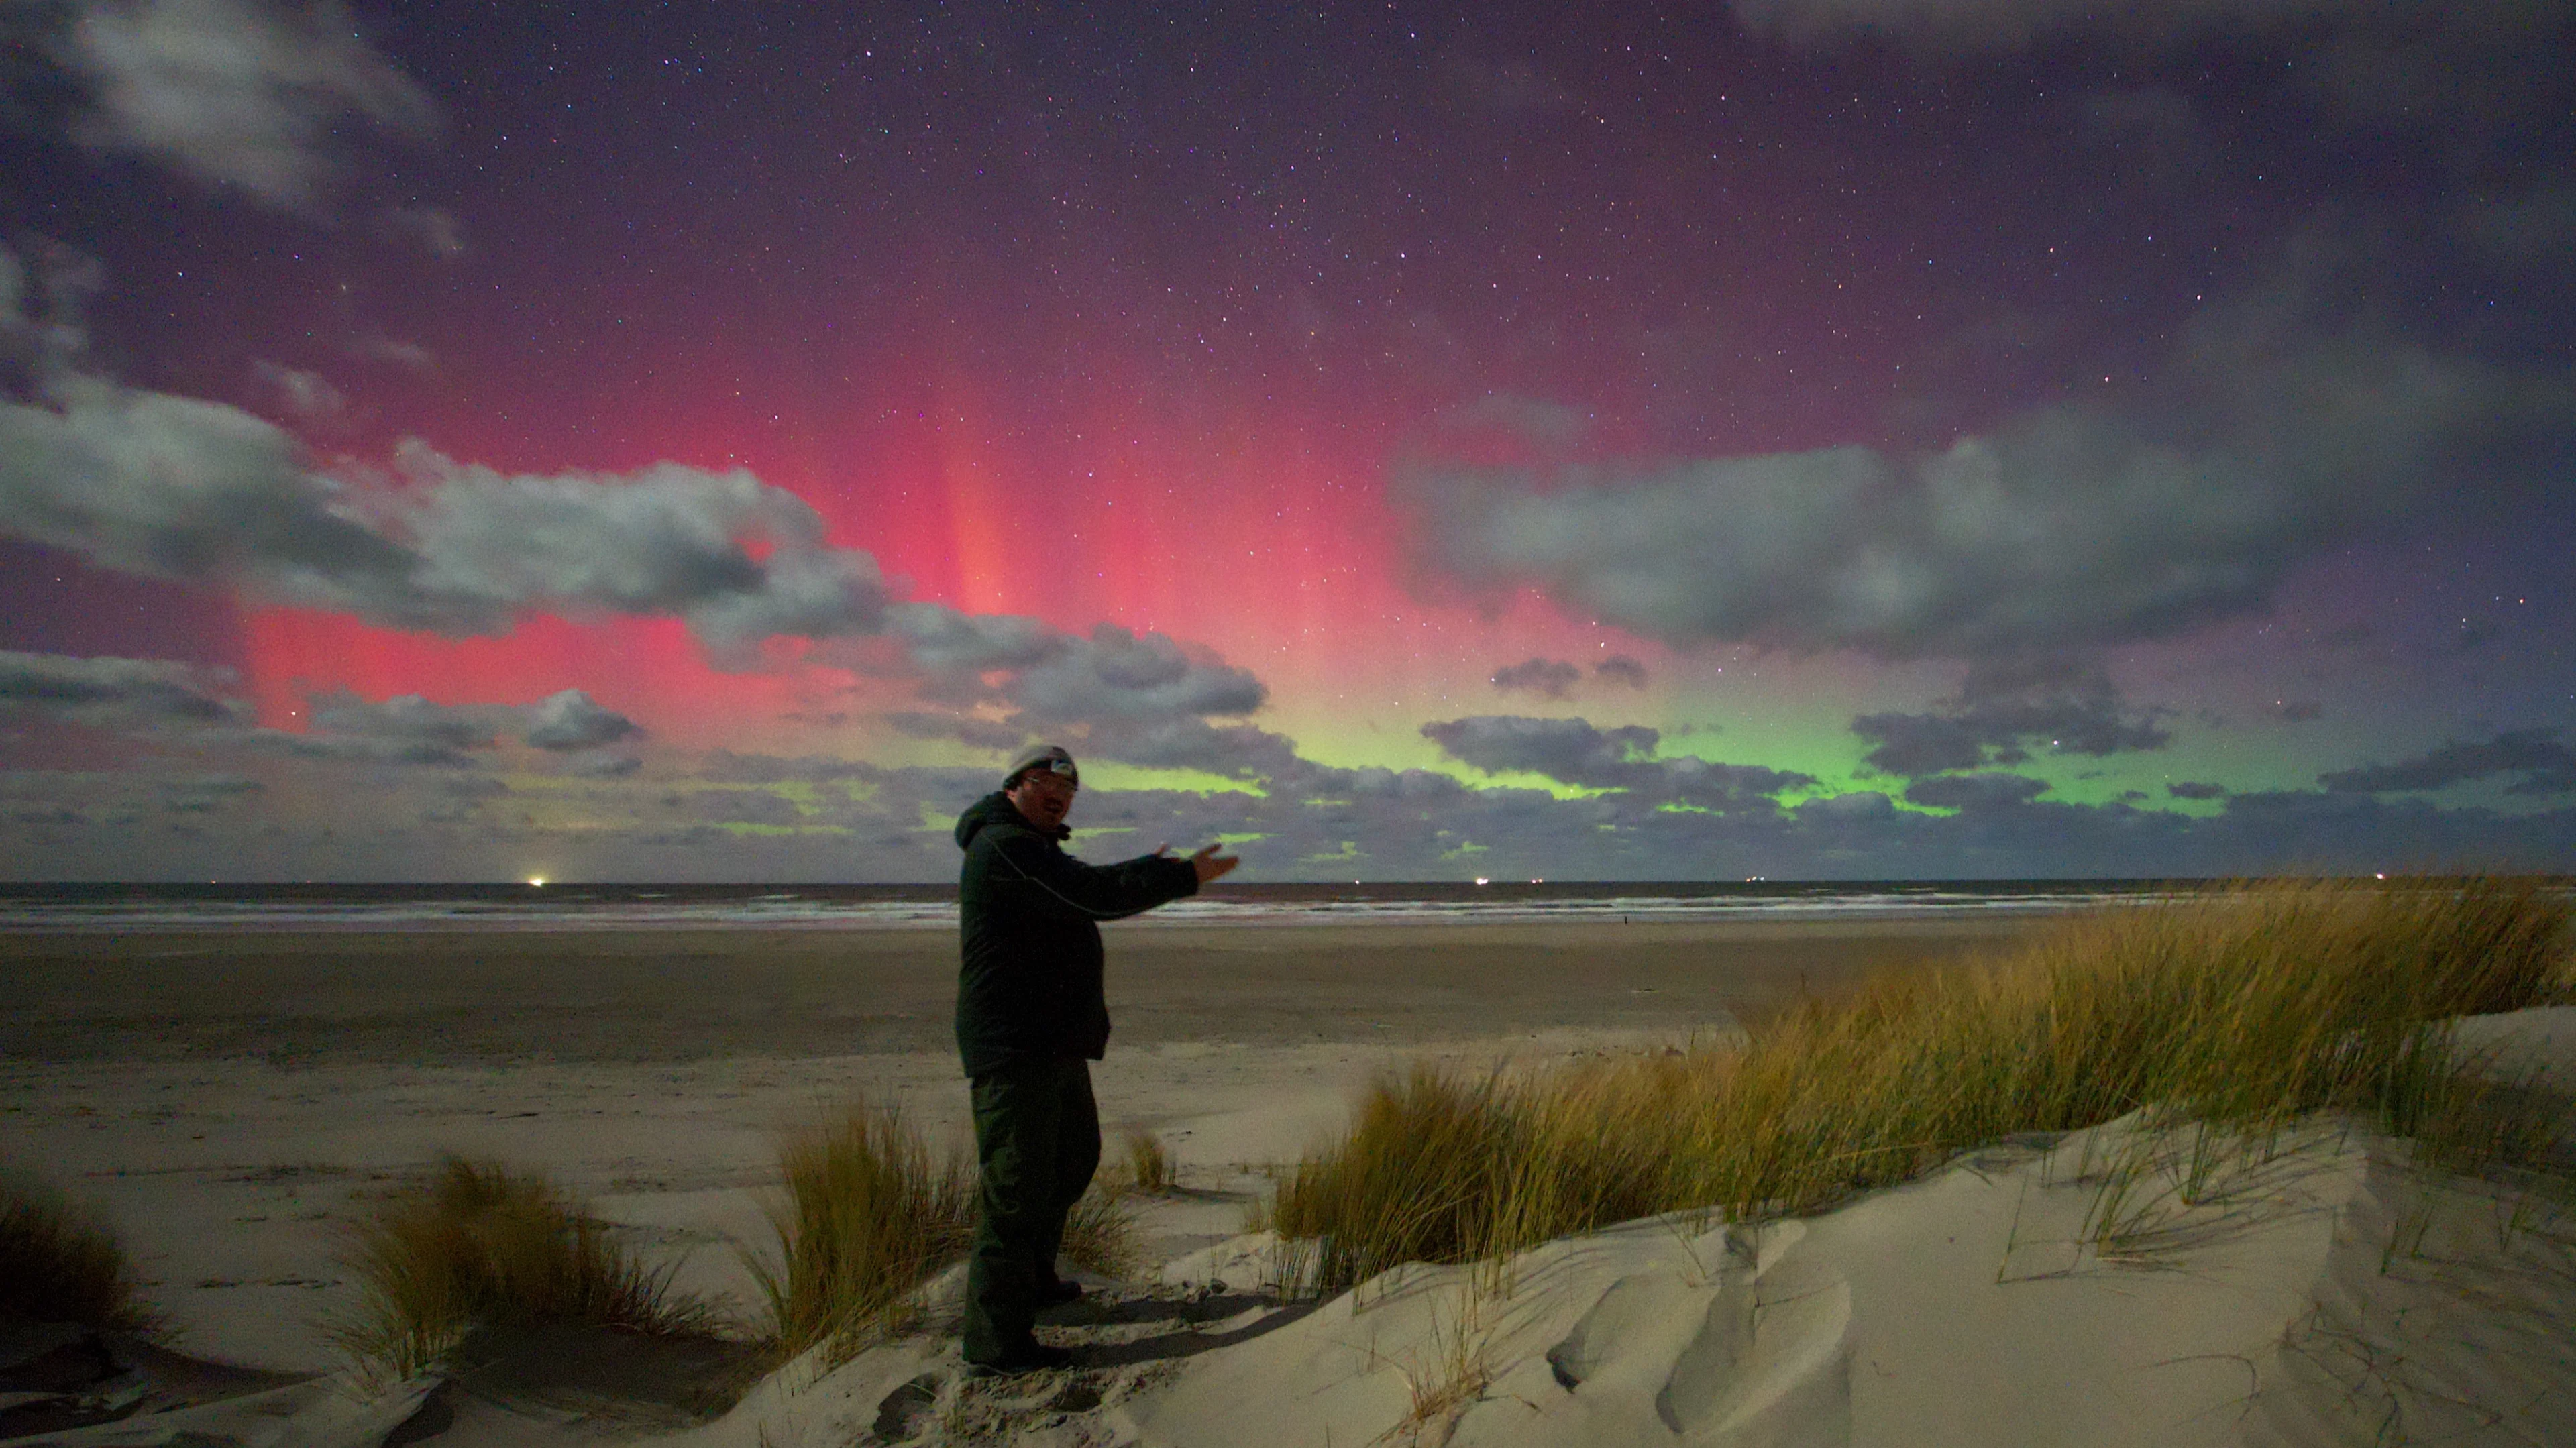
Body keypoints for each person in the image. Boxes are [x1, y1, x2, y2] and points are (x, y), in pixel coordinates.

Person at [951, 743, 1238, 1374]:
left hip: (1050, 1041)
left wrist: (1149, 871)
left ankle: (1036, 1283)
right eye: (1046, 782)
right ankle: (996, 1344)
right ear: (1015, 785)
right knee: (1017, 1187)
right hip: (1014, 1044)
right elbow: (1092, 894)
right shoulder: (1004, 848)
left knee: (1071, 1160)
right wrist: (1179, 876)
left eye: (1070, 790)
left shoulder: (1033, 848)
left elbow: (1083, 886)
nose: (1060, 795)